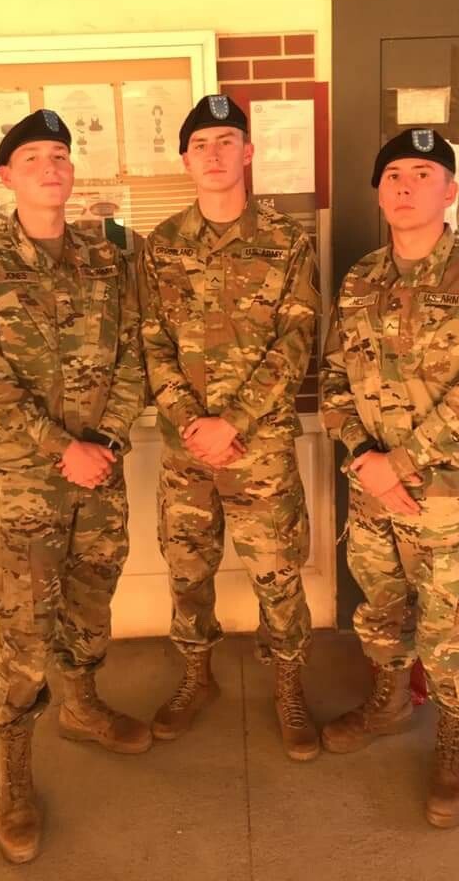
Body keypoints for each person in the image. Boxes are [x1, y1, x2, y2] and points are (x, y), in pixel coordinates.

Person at [0, 110, 150, 864]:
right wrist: (59, 445)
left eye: (61, 155)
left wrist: (105, 441)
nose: (51, 167)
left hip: (100, 471)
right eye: (35, 157)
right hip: (31, 479)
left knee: (91, 600)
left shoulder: (107, 258)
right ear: (5, 175)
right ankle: (13, 768)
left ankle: (81, 706)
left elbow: (135, 353)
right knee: (26, 621)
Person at [319, 128, 459, 827]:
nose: (405, 185)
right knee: (381, 614)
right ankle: (391, 703)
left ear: (451, 191)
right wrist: (364, 460)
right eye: (394, 174)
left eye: (424, 174)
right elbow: (334, 380)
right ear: (378, 192)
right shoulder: (361, 280)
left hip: (448, 502)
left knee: (451, 637)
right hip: (373, 496)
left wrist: (396, 465)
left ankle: (453, 744)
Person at [139, 94, 320, 761]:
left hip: (259, 449)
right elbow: (151, 341)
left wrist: (234, 421)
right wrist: (194, 422)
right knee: (188, 571)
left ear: (248, 152)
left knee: (278, 575)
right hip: (187, 451)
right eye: (200, 145)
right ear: (185, 160)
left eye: (225, 141)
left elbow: (296, 341)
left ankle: (289, 687)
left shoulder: (287, 240)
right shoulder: (161, 244)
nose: (213, 154)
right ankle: (197, 676)